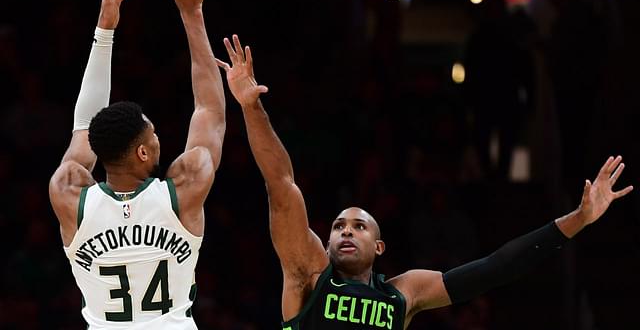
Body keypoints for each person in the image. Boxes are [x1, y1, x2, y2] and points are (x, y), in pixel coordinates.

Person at [215, 35, 633, 329]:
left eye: (359, 226)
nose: (346, 231)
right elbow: (281, 183)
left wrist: (579, 218)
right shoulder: (308, 272)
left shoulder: (405, 292)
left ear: (379, 247)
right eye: (339, 226)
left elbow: (495, 268)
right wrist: (252, 110)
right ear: (324, 244)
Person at [48, 0, 225, 328]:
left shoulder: (69, 195)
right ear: (143, 153)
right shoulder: (183, 192)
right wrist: (192, 12)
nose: (158, 138)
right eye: (153, 134)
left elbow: (84, 127)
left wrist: (105, 30)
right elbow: (210, 110)